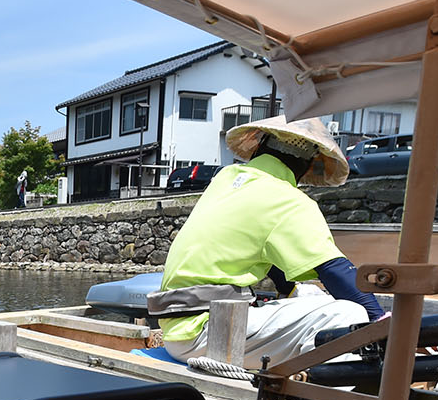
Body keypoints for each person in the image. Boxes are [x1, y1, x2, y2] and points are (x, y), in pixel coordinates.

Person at [150, 115, 385, 366]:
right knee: (349, 314)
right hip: (209, 334)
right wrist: (382, 322)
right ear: (306, 165)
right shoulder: (287, 199)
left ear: (260, 146)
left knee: (316, 302)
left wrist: (290, 289)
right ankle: (313, 393)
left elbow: (258, 246)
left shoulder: (227, 178)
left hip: (178, 331)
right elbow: (336, 272)